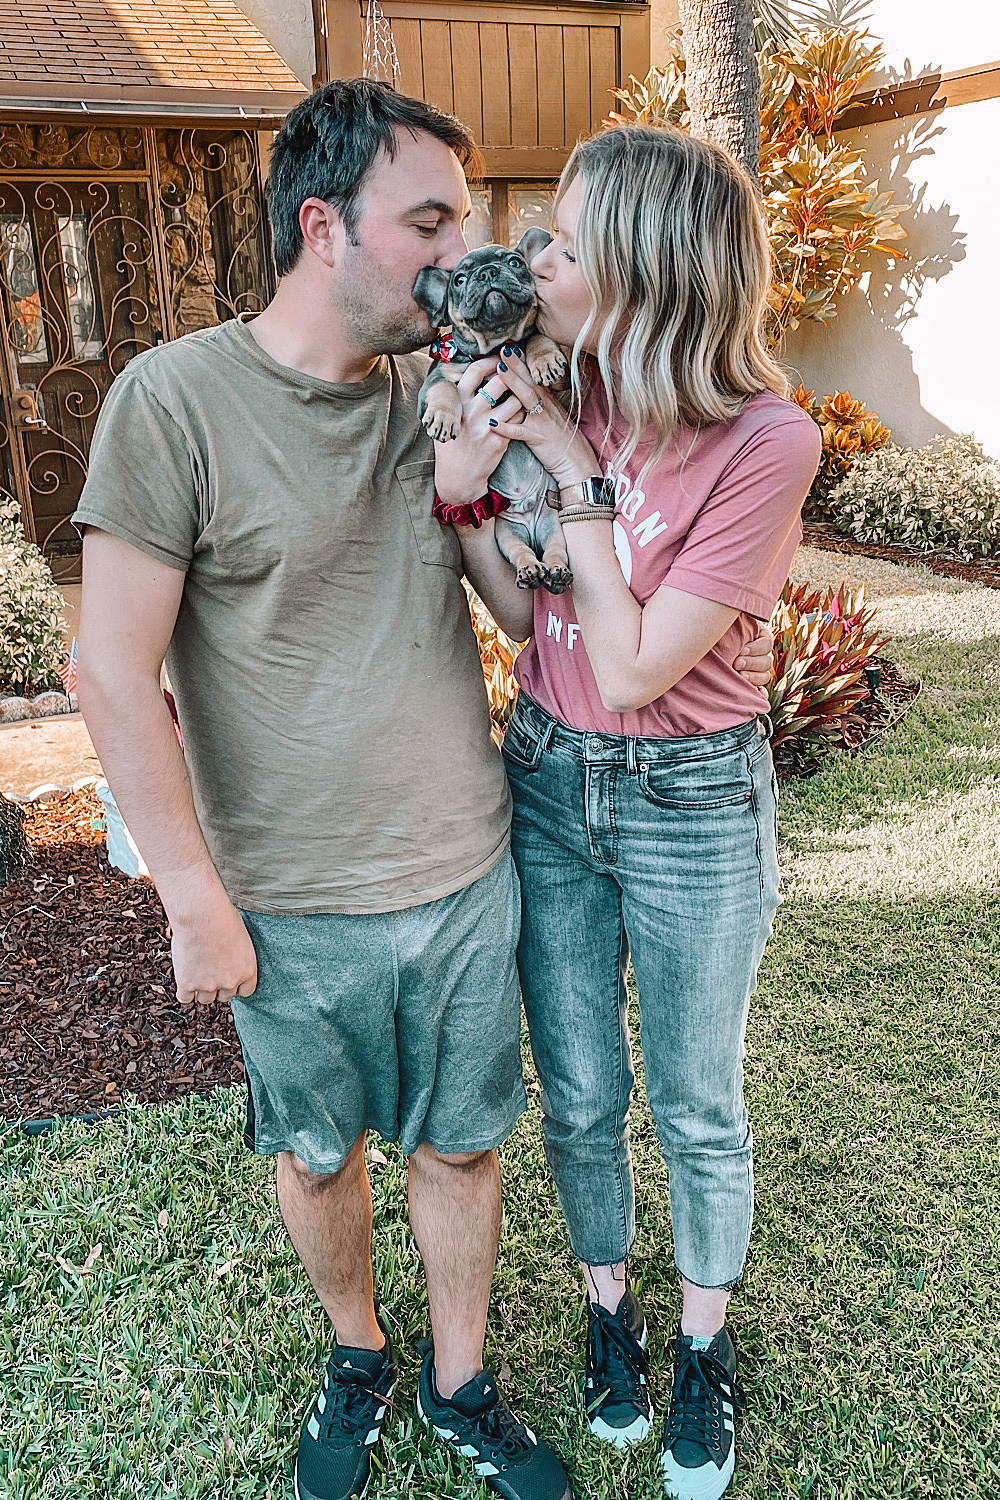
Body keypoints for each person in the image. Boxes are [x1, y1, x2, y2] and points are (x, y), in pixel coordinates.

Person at [434, 124, 822, 1500]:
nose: (533, 261)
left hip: (691, 798)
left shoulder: (766, 440)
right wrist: (466, 497)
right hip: (550, 776)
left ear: (646, 273)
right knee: (584, 1092)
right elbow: (523, 616)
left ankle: (703, 1350)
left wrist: (574, 479)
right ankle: (612, 1319)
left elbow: (641, 664)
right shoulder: (566, 387)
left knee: (696, 1101)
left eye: (564, 243)